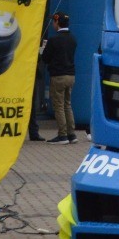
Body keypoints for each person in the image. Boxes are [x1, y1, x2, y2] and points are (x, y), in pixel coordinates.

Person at [42, 12, 79, 144]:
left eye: (53, 21)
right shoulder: (73, 39)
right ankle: (72, 134)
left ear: (57, 23)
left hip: (58, 76)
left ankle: (62, 135)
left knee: (58, 106)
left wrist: (44, 49)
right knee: (67, 105)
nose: (52, 24)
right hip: (71, 75)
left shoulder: (54, 39)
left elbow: (45, 58)